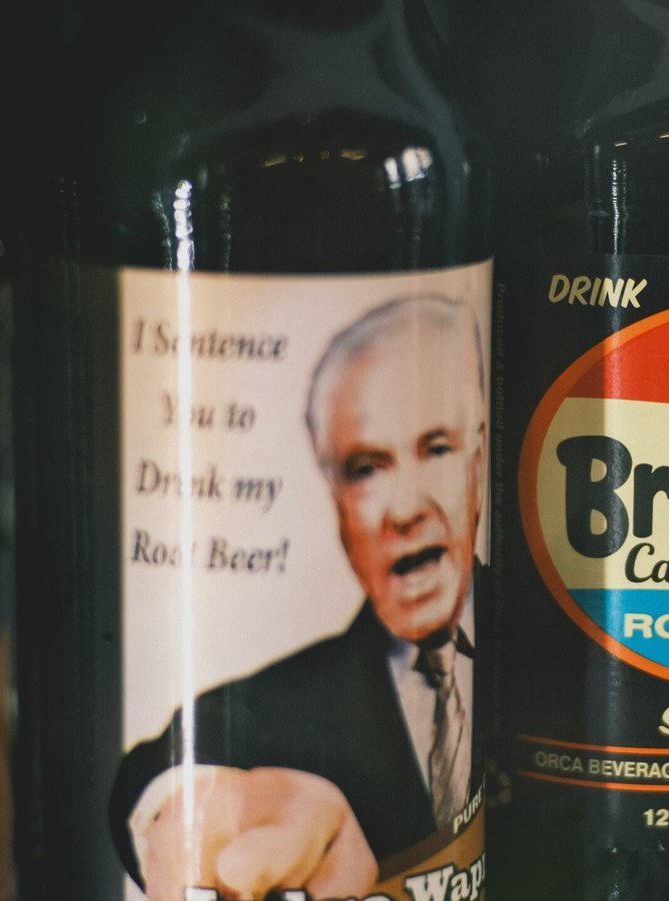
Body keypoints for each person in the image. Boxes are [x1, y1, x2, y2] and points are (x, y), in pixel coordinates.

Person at [110, 296, 488, 901]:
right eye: (366, 468)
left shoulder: (570, 634)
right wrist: (194, 818)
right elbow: (157, 771)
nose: (406, 508)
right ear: (334, 499)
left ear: (480, 456)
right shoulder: (281, 700)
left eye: (436, 448)